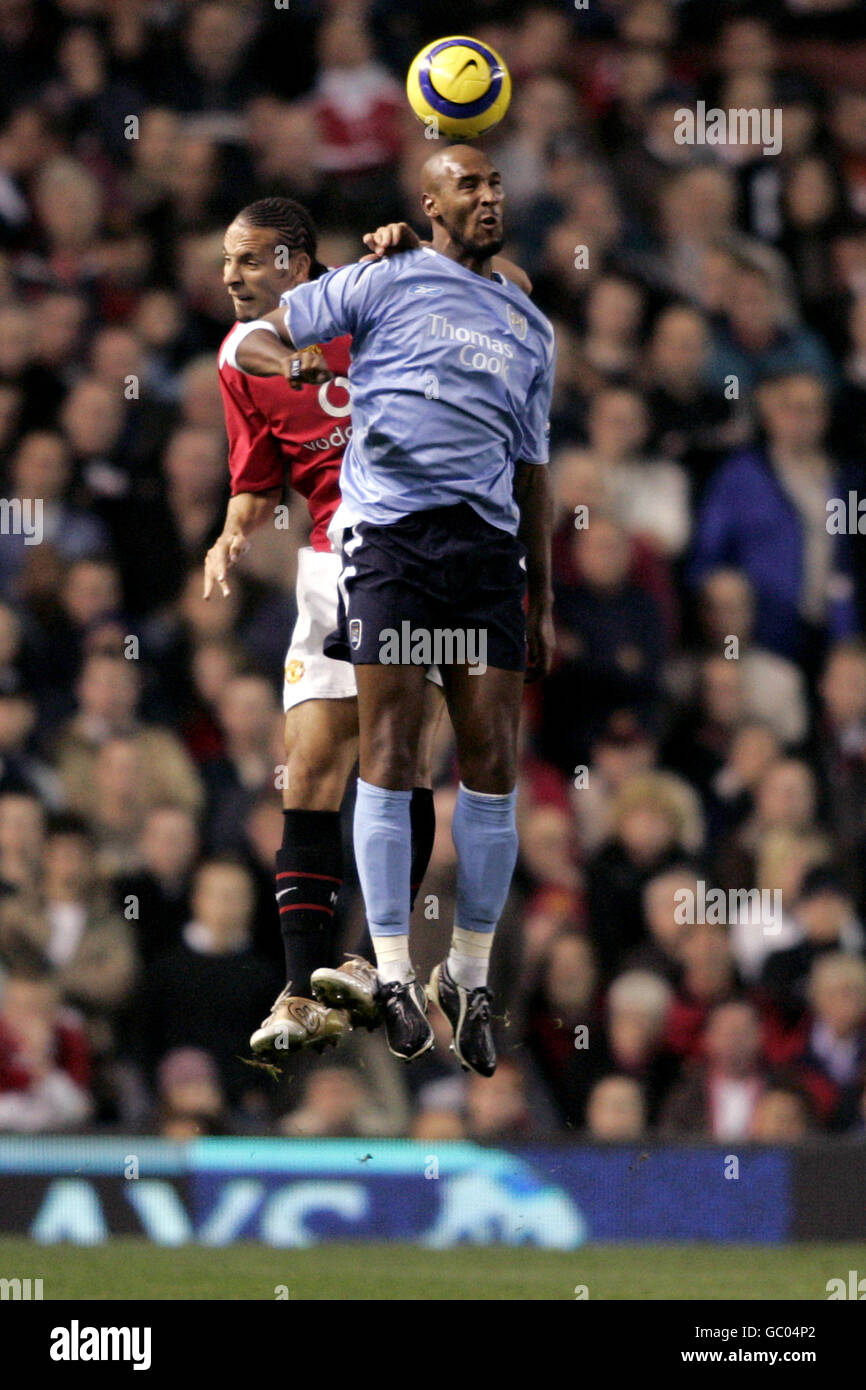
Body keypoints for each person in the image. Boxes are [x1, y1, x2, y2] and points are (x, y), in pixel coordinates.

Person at [229, 147, 555, 1075]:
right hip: (393, 548)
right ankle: (397, 973)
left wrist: (543, 591)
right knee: (393, 752)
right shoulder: (383, 277)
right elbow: (254, 333)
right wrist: (292, 364)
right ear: (429, 201)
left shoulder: (530, 324)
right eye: (472, 186)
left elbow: (534, 473)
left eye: (498, 184)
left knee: (491, 765)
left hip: (489, 553)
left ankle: (472, 973)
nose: (490, 197)